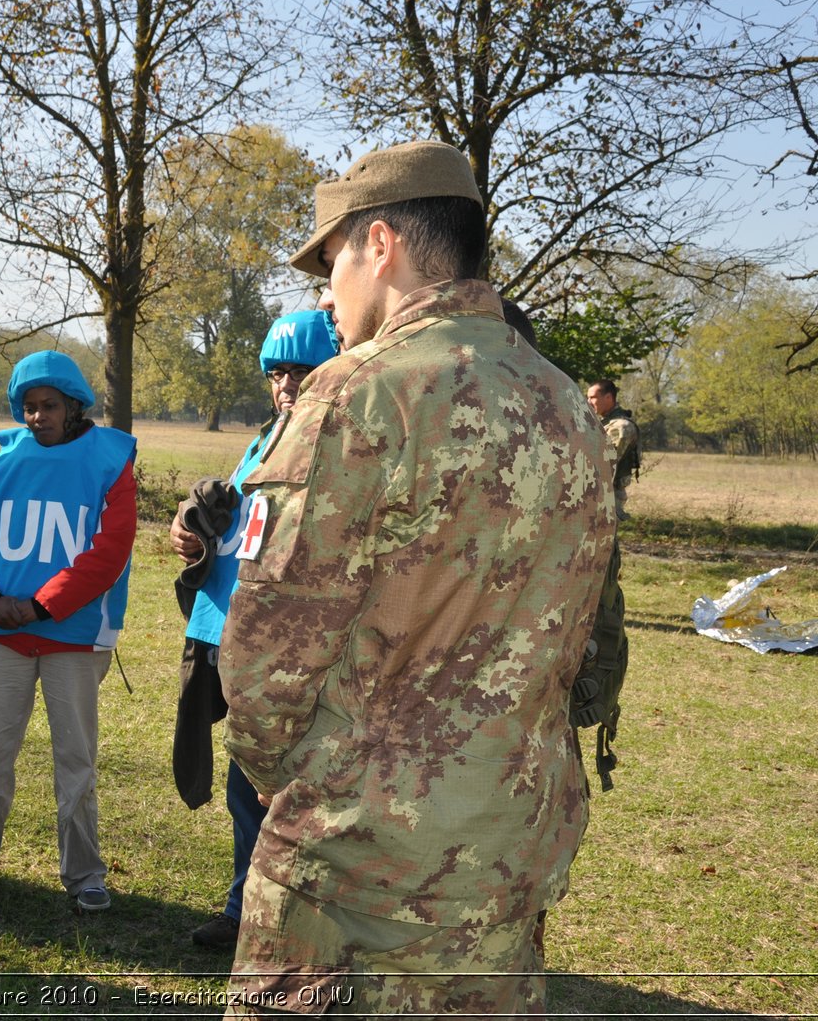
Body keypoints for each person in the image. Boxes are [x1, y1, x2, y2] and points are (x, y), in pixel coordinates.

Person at [219, 141, 614, 1016]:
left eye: (332, 262)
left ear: (382, 244)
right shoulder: (566, 408)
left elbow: (263, 659)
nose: (328, 292)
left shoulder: (355, 395)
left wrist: (297, 780)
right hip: (508, 851)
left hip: (353, 876)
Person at [0, 351, 136, 913]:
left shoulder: (110, 461)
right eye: (28, 407)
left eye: (49, 406)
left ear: (74, 407)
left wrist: (42, 606)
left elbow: (109, 551)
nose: (37, 417)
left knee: (76, 760)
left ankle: (85, 874)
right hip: (3, 634)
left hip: (73, 637)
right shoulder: (3, 462)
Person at [169, 308, 338, 950]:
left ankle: (284, 921)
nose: (287, 383)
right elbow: (241, 530)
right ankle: (246, 910)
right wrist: (191, 533)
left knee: (278, 793)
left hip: (284, 650)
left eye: (301, 370)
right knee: (246, 791)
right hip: (226, 636)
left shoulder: (335, 447)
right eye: (276, 372)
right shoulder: (263, 440)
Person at [587, 378, 640, 519]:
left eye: (593, 398)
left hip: (607, 495)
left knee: (606, 540)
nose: (588, 402)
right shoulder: (604, 424)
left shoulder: (620, 427)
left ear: (609, 397)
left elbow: (605, 463)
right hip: (596, 493)